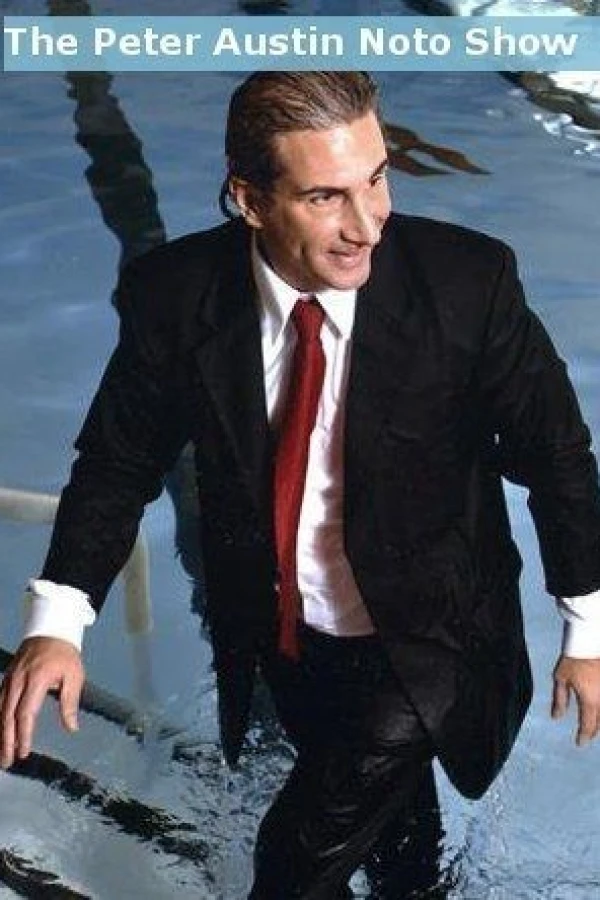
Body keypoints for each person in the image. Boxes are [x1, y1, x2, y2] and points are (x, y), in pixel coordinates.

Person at [2, 72, 600, 899]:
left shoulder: (467, 284)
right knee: (398, 847)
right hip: (292, 632)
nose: (367, 224)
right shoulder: (177, 295)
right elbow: (118, 460)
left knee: (293, 859)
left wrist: (586, 630)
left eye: (377, 180)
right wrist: (58, 624)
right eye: (326, 197)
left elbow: (558, 454)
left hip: (434, 636)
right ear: (249, 200)